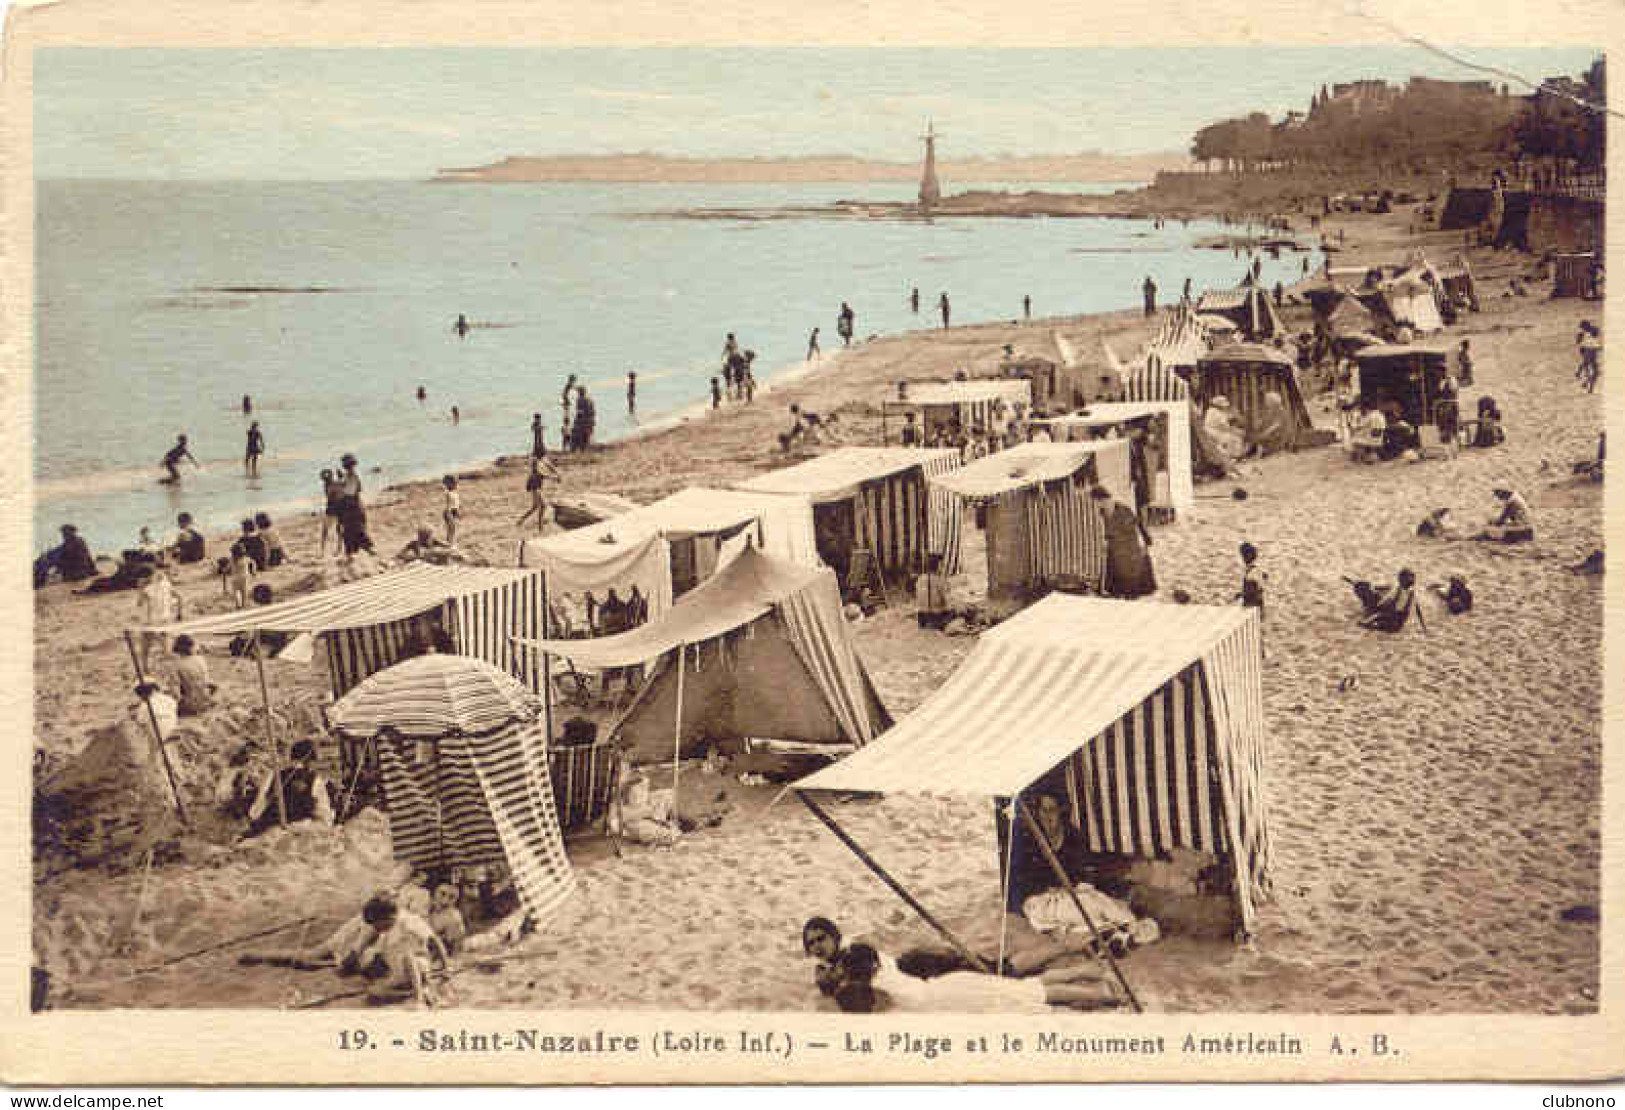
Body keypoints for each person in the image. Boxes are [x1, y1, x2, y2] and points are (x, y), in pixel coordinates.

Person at [834, 942, 1116, 1013]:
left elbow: (872, 1005)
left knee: (1031, 993)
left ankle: (1103, 995)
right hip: (951, 986)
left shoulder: (876, 987)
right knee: (1026, 988)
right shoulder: (886, 967)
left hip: (954, 996)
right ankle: (1086, 972)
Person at [245, 739, 335, 836]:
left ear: (291, 758)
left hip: (269, 831)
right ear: (311, 761)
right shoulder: (315, 781)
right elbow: (325, 820)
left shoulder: (273, 776)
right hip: (298, 834)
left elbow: (254, 812)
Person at [1093, 486, 1156, 599]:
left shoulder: (1122, 511)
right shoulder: (1114, 511)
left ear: (1100, 501)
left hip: (1127, 559)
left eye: (1097, 503)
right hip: (1124, 558)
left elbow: (1137, 531)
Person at [133, 565, 181, 670]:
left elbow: (139, 603)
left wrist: (140, 588)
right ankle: (177, 666)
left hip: (150, 621)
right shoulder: (166, 584)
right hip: (165, 618)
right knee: (166, 647)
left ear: (144, 577)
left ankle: (145, 668)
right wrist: (179, 613)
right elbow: (179, 596)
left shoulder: (148, 588)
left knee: (145, 647)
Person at [1355, 568, 1424, 634]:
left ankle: (1366, 622)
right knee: (1380, 617)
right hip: (1400, 622)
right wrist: (1423, 626)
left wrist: (1378, 606)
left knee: (1378, 615)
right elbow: (1418, 611)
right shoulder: (1412, 593)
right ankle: (1371, 622)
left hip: (1392, 617)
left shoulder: (1398, 590)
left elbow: (1385, 600)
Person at [336, 453, 374, 557]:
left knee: (355, 535)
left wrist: (340, 483)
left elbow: (349, 492)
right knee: (353, 536)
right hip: (353, 509)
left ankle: (372, 557)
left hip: (353, 510)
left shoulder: (352, 476)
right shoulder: (350, 476)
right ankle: (356, 560)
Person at [170, 634, 215, 716]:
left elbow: (175, 692)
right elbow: (207, 681)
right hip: (207, 699)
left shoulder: (177, 665)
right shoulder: (201, 659)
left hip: (191, 704)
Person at [914, 555, 952, 630]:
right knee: (955, 611)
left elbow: (918, 596)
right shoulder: (940, 580)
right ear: (937, 567)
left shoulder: (920, 579)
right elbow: (946, 600)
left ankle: (925, 623)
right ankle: (939, 623)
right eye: (941, 566)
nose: (942, 568)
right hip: (936, 615)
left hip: (921, 616)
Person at [428, 884, 468, 955]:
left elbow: (455, 945)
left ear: (456, 900)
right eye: (442, 894)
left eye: (451, 897)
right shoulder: (424, 907)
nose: (445, 900)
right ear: (434, 893)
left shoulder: (454, 916)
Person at [1435, 372, 1461, 457]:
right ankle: (1452, 452)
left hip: (1448, 407)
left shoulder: (1447, 381)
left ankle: (1451, 452)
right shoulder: (1450, 381)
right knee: (1451, 430)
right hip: (1450, 406)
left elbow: (1451, 393)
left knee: (1448, 430)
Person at [573, 386, 596, 451]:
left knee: (581, 436)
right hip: (589, 420)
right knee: (587, 436)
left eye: (578, 392)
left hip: (583, 421)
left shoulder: (580, 400)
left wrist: (576, 422)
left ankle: (582, 450)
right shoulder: (590, 400)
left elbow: (580, 412)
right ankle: (585, 449)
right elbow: (593, 411)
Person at [560, 374, 578, 450]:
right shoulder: (569, 385)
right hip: (567, 405)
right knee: (567, 425)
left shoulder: (568, 386)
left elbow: (564, 394)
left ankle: (566, 446)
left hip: (567, 405)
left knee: (567, 425)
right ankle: (566, 446)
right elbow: (565, 394)